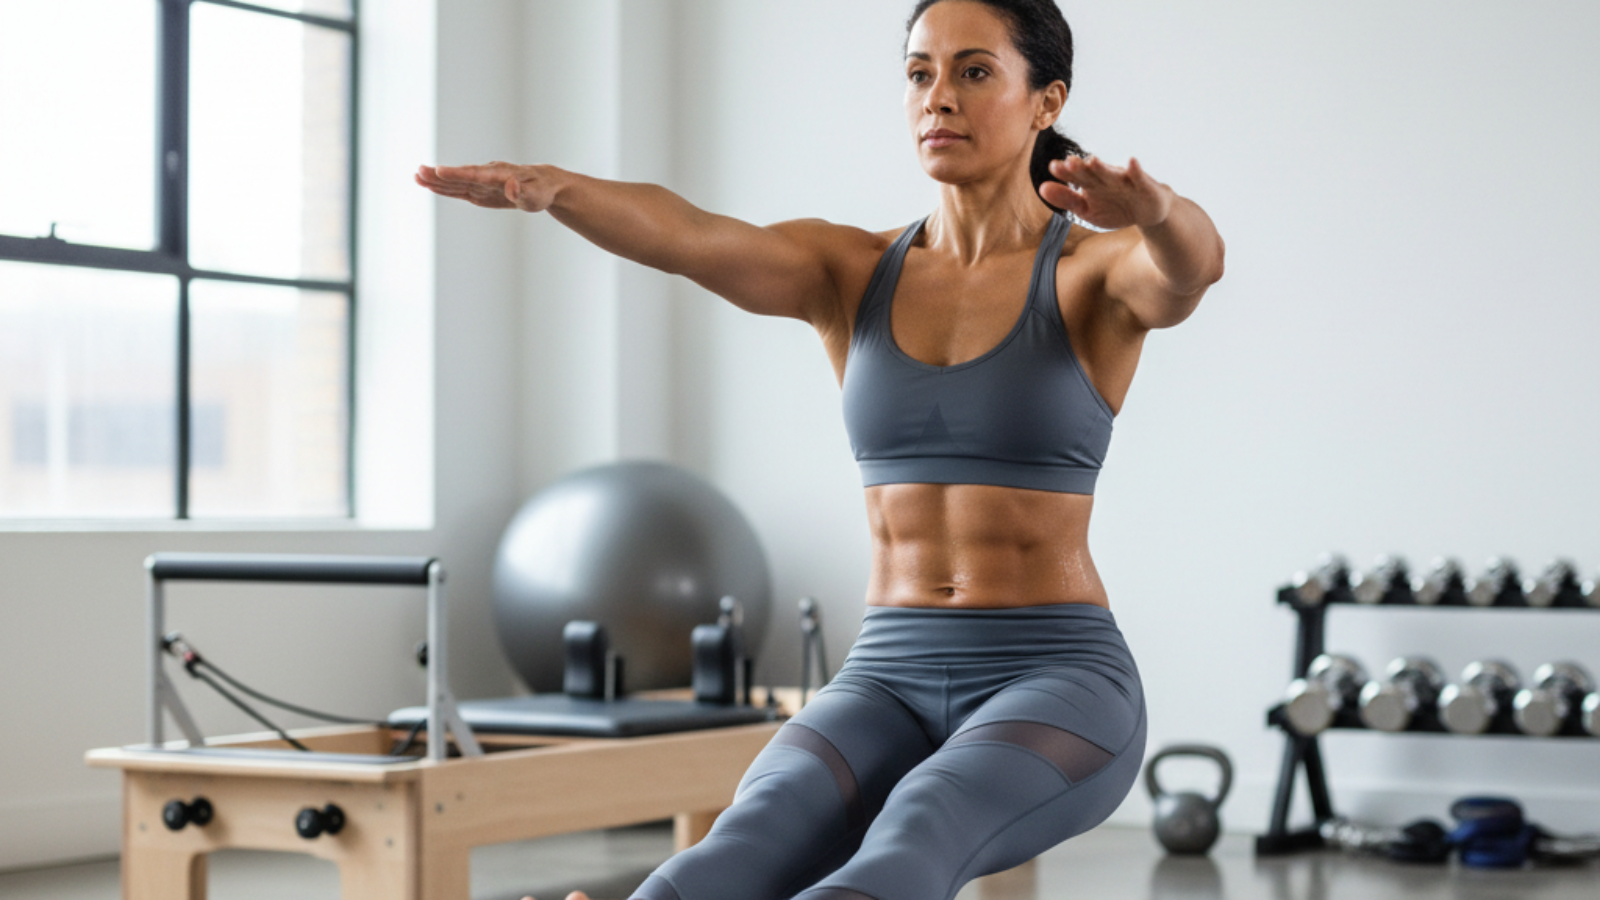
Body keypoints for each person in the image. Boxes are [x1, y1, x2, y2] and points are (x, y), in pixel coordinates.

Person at [417, 1, 1223, 897]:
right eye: (919, 73)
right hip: (886, 671)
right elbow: (691, 237)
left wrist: (1158, 210)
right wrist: (552, 188)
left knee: (921, 824)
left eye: (974, 71)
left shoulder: (1094, 273)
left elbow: (1192, 268)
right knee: (737, 846)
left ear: (1046, 101)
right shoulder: (851, 272)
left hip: (1056, 675)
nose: (938, 98)